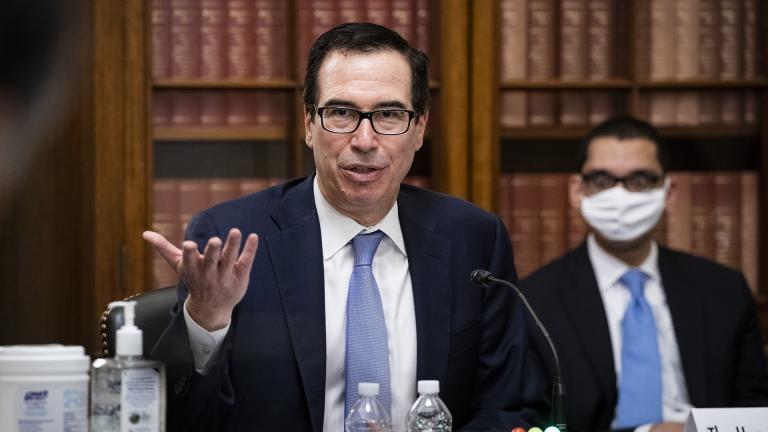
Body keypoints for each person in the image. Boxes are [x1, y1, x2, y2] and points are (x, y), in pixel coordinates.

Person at [144, 22, 546, 431]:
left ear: (420, 128)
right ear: (308, 124)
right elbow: (180, 421)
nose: (365, 140)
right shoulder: (234, 239)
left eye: (389, 115)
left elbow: (512, 406)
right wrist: (206, 320)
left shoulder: (473, 239)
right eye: (341, 113)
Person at [520, 116, 768, 432]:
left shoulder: (724, 290)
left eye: (639, 180)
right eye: (601, 180)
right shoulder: (535, 301)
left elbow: (756, 411)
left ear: (669, 192)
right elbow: (533, 423)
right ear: (577, 191)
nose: (620, 196)